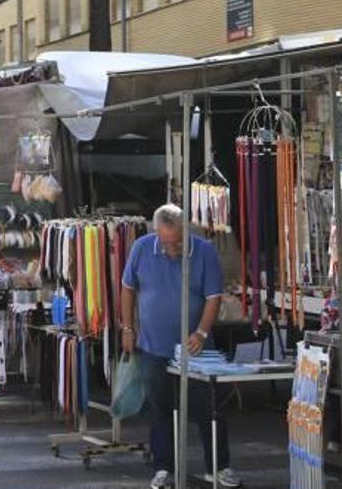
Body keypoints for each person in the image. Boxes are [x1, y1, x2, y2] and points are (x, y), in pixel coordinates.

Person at [120, 204, 240, 489]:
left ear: (186, 231)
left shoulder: (204, 251)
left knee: (208, 407)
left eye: (177, 242)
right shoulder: (141, 248)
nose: (172, 249)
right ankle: (163, 468)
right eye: (167, 243)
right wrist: (127, 327)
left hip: (197, 348)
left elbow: (214, 296)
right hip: (153, 344)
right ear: (157, 234)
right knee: (160, 408)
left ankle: (218, 466)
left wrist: (200, 332)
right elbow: (128, 288)